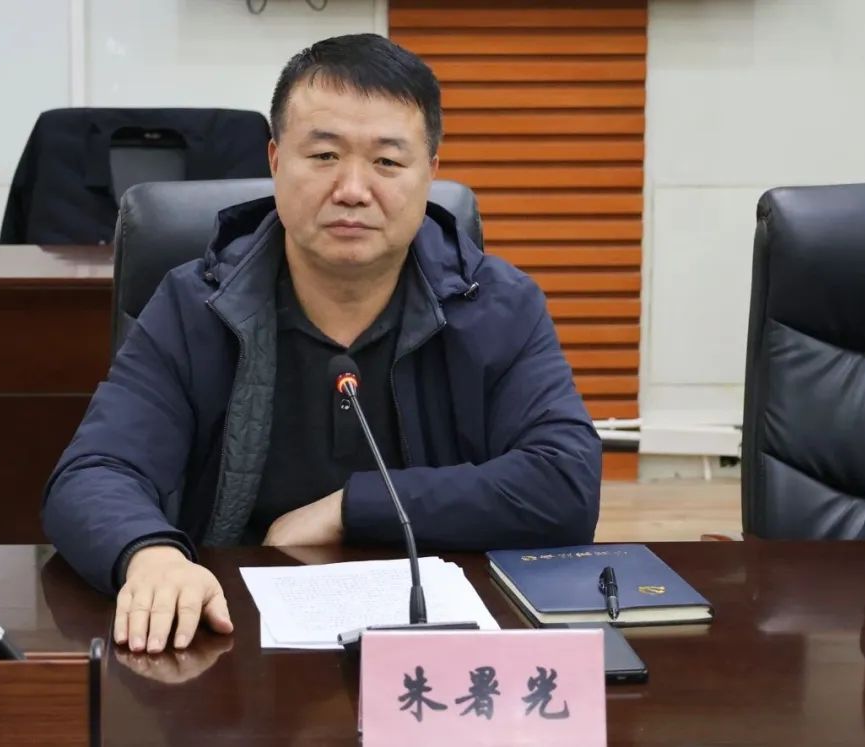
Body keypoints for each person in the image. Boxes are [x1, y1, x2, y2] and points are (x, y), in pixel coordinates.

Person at [42, 33, 602, 655]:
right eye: (325, 155)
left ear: (430, 173)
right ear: (276, 161)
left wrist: (350, 509)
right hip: (231, 642)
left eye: (387, 162)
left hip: (440, 641)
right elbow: (94, 472)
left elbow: (565, 483)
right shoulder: (196, 305)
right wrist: (151, 555)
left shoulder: (495, 305)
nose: (353, 189)